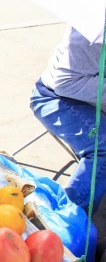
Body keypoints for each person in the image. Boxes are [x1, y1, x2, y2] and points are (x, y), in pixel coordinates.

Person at [30, 25, 106, 215]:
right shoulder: (94, 31)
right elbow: (65, 83)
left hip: (90, 98)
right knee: (103, 146)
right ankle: (70, 219)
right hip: (55, 97)